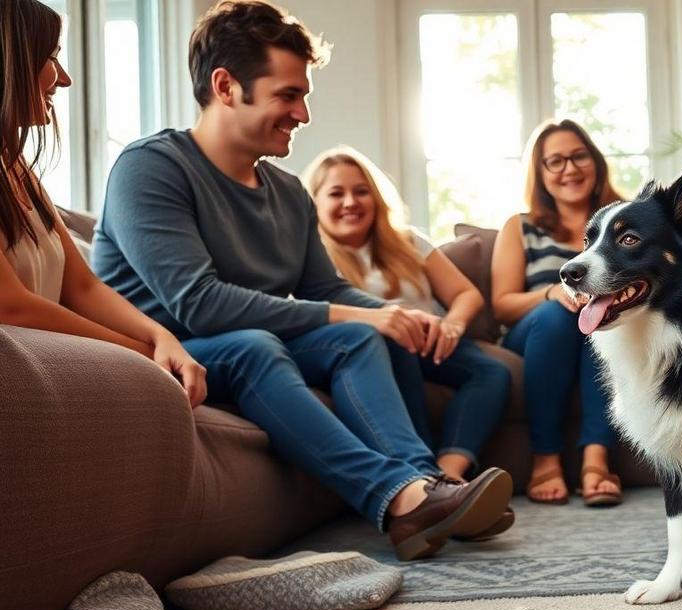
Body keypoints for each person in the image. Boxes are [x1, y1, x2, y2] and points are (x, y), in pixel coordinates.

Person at [90, 0, 513, 560]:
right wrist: (361, 312)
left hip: (240, 341)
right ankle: (395, 498)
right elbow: (200, 305)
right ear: (226, 86)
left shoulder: (288, 191)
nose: (304, 114)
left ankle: (424, 490)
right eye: (288, 95)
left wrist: (388, 316)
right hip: (166, 349)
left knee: (360, 335)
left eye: (303, 96)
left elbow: (326, 291)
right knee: (256, 346)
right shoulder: (152, 167)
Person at [0, 0, 206, 407]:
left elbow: (82, 286)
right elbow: (12, 307)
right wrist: (140, 353)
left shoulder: (20, 169)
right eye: (52, 58)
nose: (65, 79)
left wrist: (160, 337)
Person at [304, 146, 512, 485]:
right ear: (314, 202)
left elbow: (465, 294)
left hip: (434, 343)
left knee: (492, 373)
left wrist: (452, 325)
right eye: (336, 193)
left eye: (361, 191)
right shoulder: (310, 258)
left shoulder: (408, 241)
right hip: (376, 349)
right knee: (393, 342)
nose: (350, 203)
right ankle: (423, 474)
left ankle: (450, 470)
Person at [491, 119, 623, 506]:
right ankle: (545, 459)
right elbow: (502, 304)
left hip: (600, 330)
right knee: (557, 316)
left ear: (595, 161)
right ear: (541, 173)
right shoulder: (520, 227)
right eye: (555, 161)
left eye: (578, 156)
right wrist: (552, 292)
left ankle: (595, 460)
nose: (570, 168)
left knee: (604, 324)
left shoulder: (620, 223)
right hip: (537, 333)